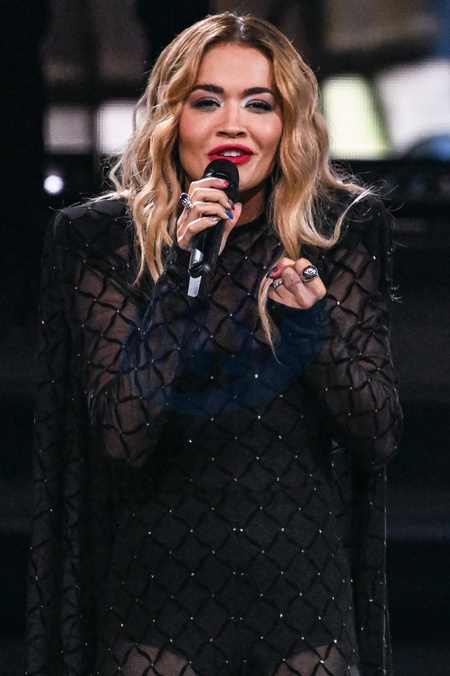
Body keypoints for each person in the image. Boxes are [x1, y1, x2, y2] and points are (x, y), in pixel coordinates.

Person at [26, 12, 402, 676]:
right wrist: (181, 275)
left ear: (288, 122)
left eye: (259, 103)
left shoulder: (339, 230)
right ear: (172, 117)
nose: (233, 124)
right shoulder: (99, 238)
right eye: (207, 101)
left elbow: (378, 434)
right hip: (157, 582)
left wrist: (312, 328)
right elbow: (123, 437)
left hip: (299, 582)